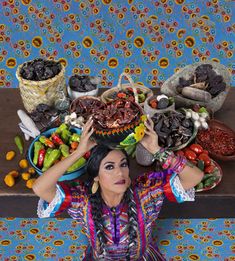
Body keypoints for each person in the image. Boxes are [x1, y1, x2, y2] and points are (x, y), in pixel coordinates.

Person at [33, 117, 203, 260]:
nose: (120, 173)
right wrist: (78, 153)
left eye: (123, 165)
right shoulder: (82, 201)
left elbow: (194, 177)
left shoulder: (147, 193)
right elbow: (40, 188)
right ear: (96, 176)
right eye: (109, 167)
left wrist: (156, 149)